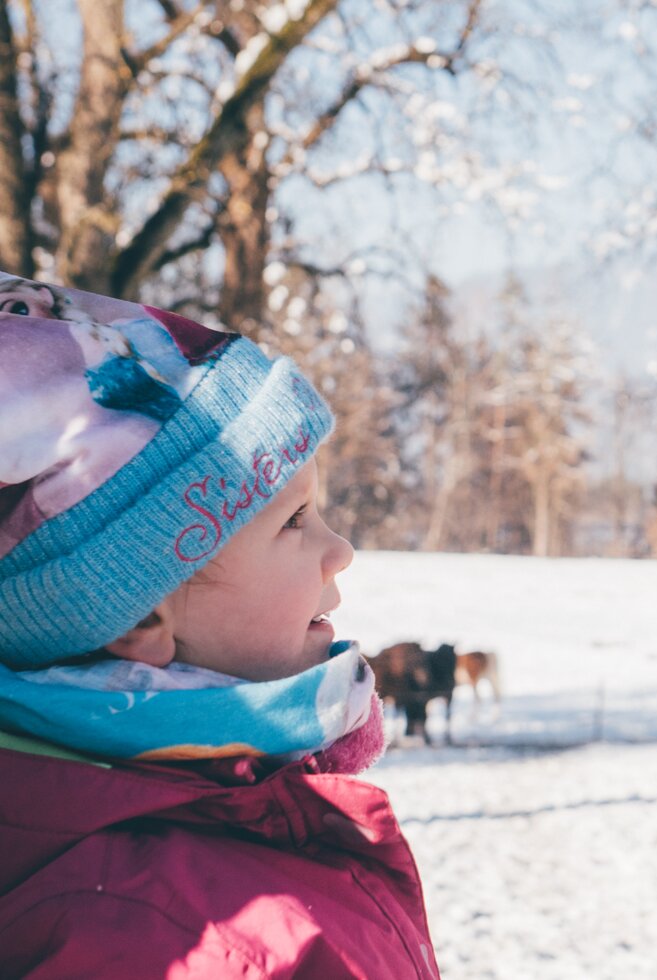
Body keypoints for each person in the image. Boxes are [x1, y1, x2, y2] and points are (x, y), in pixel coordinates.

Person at [0, 273, 440, 979]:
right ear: (141, 614)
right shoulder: (150, 939)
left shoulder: (237, 813)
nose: (341, 550)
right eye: (294, 520)